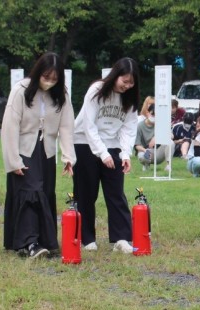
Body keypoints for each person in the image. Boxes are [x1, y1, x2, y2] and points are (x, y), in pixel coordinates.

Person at [1, 52, 75, 259]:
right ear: (37, 73)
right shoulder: (21, 90)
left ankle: (44, 240)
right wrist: (13, 159)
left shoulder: (62, 95)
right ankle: (29, 242)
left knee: (45, 192)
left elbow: (67, 126)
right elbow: (9, 126)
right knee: (30, 192)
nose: (49, 82)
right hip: (24, 150)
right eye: (46, 77)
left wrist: (68, 156)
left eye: (54, 79)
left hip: (47, 151)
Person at [72, 57, 140, 253]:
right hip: (84, 142)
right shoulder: (96, 90)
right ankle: (86, 239)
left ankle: (122, 238)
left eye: (131, 82)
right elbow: (88, 124)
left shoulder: (130, 98)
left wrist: (125, 154)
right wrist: (102, 153)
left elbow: (129, 128)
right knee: (86, 192)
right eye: (124, 81)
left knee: (116, 192)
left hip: (113, 145)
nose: (127, 86)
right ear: (115, 75)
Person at [134, 104, 171, 170]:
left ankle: (168, 165)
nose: (154, 117)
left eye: (156, 115)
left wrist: (157, 137)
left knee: (170, 142)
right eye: (152, 114)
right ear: (147, 113)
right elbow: (137, 145)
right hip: (146, 150)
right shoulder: (139, 126)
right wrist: (145, 150)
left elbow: (171, 135)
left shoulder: (161, 124)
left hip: (158, 151)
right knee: (142, 156)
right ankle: (146, 165)